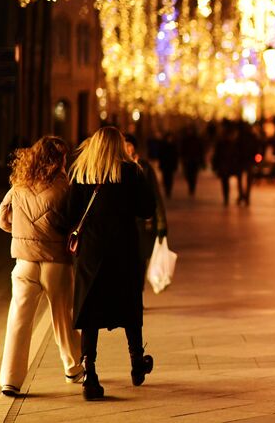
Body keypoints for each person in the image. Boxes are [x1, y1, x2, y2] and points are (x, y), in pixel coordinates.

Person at [67, 126, 156, 400]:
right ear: (118, 146)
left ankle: (90, 374)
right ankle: (136, 362)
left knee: (90, 309)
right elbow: (147, 209)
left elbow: (69, 213)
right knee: (129, 305)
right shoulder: (130, 172)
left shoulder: (81, 174)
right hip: (123, 250)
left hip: (91, 253)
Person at [0, 136, 83, 397]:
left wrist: (21, 233)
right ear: (58, 160)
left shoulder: (18, 185)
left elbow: (2, 219)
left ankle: (10, 379)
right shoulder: (64, 188)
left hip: (24, 262)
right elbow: (72, 223)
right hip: (55, 261)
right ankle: (73, 367)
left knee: (19, 320)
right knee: (63, 317)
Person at [124, 134, 167, 273]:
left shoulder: (145, 167)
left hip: (142, 223)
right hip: (124, 222)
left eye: (129, 145)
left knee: (140, 261)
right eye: (124, 145)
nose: (127, 149)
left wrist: (161, 223)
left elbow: (155, 195)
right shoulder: (117, 167)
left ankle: (138, 289)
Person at [211, 126, 241, 206]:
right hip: (225, 165)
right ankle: (226, 197)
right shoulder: (222, 144)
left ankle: (237, 196)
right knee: (225, 182)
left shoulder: (234, 144)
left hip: (231, 165)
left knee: (229, 181)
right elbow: (217, 155)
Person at [179, 127, 205, 197]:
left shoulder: (197, 140)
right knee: (188, 175)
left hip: (195, 160)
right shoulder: (185, 140)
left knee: (194, 175)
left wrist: (202, 161)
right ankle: (190, 185)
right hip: (188, 160)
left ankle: (192, 188)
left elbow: (200, 150)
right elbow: (182, 150)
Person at [157, 132, 178, 198]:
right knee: (165, 178)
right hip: (165, 165)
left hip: (170, 165)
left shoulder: (173, 146)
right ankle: (166, 189)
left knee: (170, 178)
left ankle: (169, 190)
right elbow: (160, 156)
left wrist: (175, 165)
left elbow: (175, 156)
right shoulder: (163, 145)